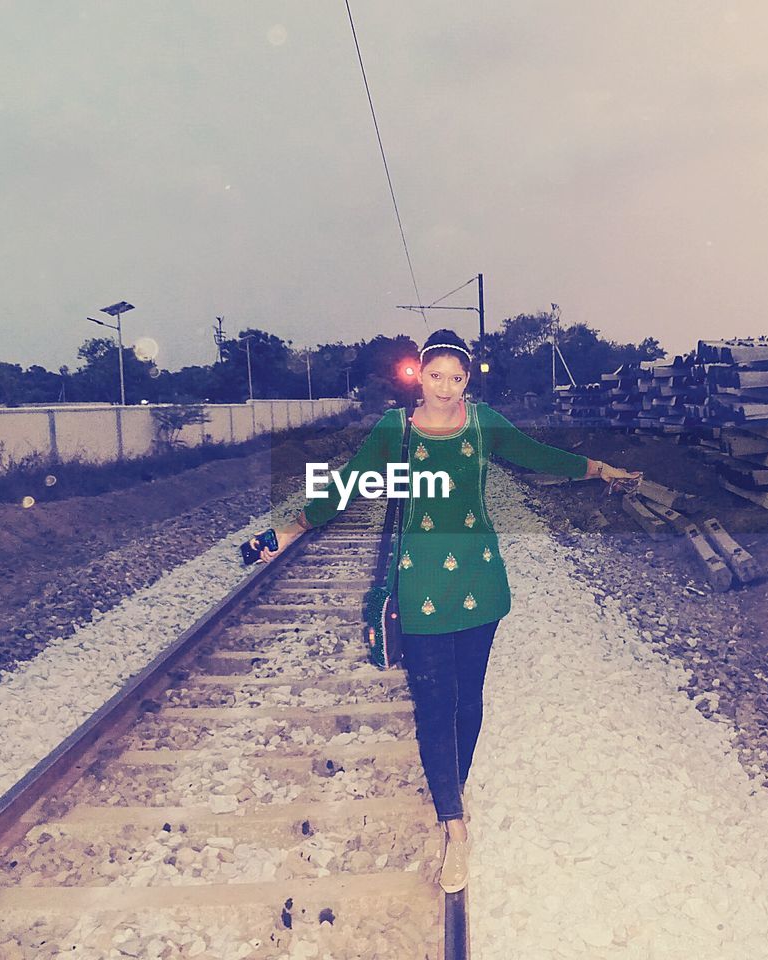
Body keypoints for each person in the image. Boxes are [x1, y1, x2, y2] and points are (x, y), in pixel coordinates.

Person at [256, 328, 640, 892]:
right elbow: (345, 487)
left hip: (480, 580)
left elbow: (540, 455)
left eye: (456, 378)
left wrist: (598, 468)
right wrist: (289, 530)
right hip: (421, 584)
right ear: (418, 376)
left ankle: (450, 784)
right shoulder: (396, 431)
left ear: (467, 378)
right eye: (435, 377)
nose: (446, 388)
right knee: (435, 704)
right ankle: (454, 827)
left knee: (468, 700)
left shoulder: (484, 425)